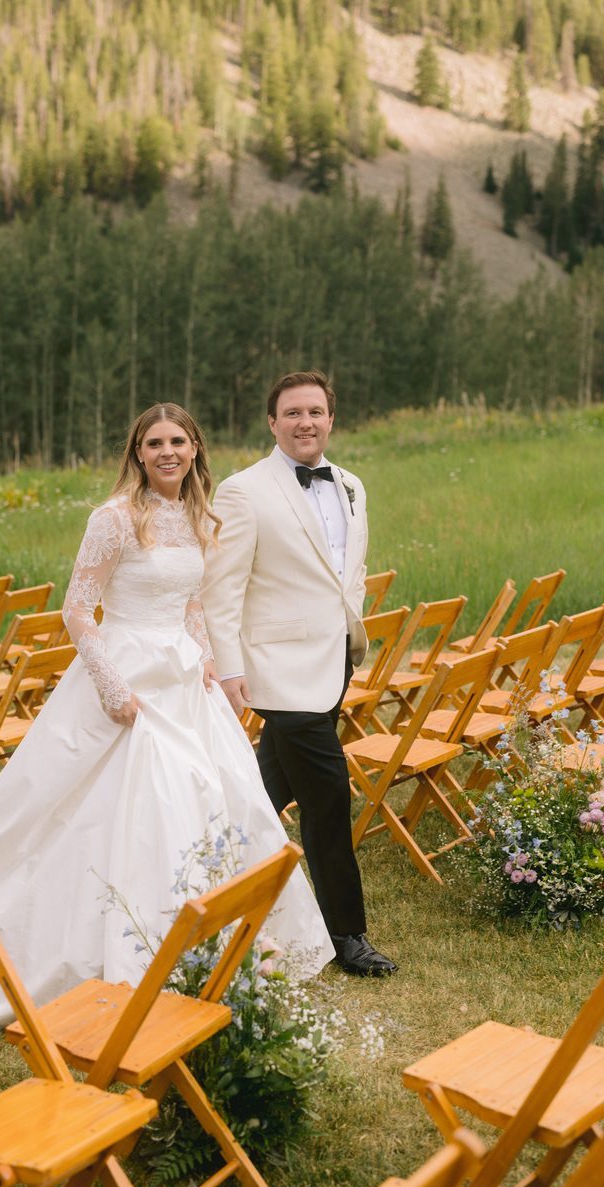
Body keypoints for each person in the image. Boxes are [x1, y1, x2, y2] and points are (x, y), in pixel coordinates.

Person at [0, 403, 333, 1029]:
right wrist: (113, 688)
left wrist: (210, 665)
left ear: (196, 449)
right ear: (138, 452)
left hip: (184, 677)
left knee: (219, 795)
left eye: (179, 442)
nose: (168, 453)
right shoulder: (113, 518)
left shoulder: (196, 514)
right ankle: (125, 944)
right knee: (133, 802)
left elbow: (191, 602)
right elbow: (78, 611)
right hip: (127, 673)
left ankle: (214, 942)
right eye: (155, 443)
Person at [200, 371, 397, 977]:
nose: (304, 422)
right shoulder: (242, 491)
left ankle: (200, 872)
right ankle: (347, 934)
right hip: (277, 669)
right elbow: (221, 589)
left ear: (331, 419)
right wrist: (230, 667)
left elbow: (350, 571)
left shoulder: (352, 485)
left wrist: (349, 631)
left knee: (262, 793)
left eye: (315, 412)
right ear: (272, 422)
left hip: (333, 661)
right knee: (328, 798)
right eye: (292, 413)